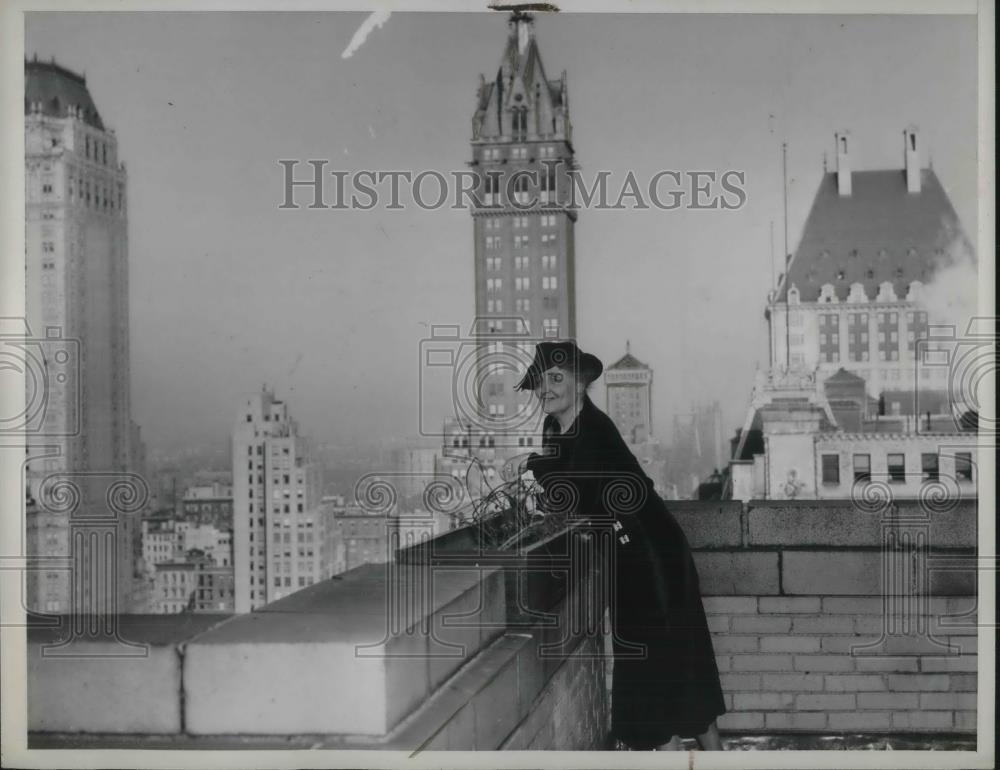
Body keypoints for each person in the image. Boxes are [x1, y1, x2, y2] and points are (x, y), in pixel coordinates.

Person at [514, 340, 726, 751]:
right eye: (540, 382)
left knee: (661, 656)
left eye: (556, 379)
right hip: (628, 553)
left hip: (651, 552)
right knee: (670, 655)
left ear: (580, 384)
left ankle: (682, 749)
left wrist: (529, 464)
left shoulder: (594, 428)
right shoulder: (557, 430)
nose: (546, 389)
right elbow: (566, 493)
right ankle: (699, 750)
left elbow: (574, 487)